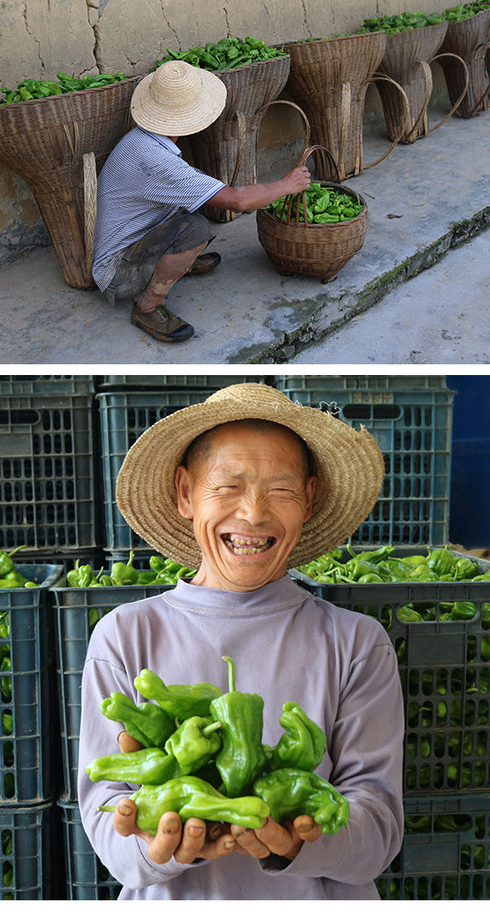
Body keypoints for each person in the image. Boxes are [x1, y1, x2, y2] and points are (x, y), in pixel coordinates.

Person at [77, 382, 405, 899]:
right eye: (228, 487)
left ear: (310, 499)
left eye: (281, 490)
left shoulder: (357, 642)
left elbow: (379, 832)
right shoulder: (125, 635)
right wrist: (152, 848)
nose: (253, 514)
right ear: (185, 494)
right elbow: (107, 824)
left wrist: (297, 845)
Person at [92, 61, 311, 343]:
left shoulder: (143, 140)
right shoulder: (153, 159)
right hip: (117, 272)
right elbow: (238, 201)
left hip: (139, 239)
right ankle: (148, 306)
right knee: (194, 228)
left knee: (194, 195)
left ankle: (172, 263)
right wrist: (286, 185)